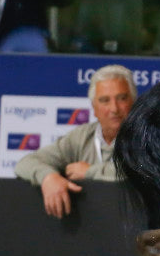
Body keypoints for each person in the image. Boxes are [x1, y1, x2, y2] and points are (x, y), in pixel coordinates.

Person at [15, 65, 136, 218]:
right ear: (94, 107)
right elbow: (25, 163)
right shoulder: (82, 137)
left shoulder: (146, 136)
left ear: (134, 101)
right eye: (105, 100)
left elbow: (135, 175)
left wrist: (89, 172)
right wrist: (48, 177)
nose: (114, 108)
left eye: (122, 98)